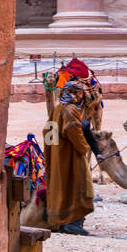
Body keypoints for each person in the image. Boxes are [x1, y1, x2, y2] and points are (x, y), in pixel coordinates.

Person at [43, 74, 101, 235]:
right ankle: (74, 222)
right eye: (80, 93)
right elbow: (71, 129)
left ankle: (61, 221)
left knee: (62, 187)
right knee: (79, 185)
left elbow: (47, 131)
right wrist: (83, 148)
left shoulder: (57, 109)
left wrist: (54, 150)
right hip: (70, 157)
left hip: (58, 156)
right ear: (76, 94)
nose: (82, 96)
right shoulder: (71, 110)